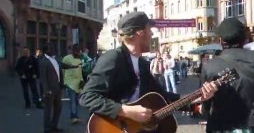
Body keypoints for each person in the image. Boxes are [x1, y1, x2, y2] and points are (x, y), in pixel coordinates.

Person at [79, 11, 218, 132]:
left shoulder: (142, 64)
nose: (152, 33)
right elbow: (88, 97)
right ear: (140, 32)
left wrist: (198, 98)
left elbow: (162, 98)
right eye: (149, 29)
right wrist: (126, 111)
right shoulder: (113, 58)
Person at [38, 44, 65, 133]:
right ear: (46, 50)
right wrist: (45, 90)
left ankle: (54, 125)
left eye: (53, 48)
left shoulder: (55, 59)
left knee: (58, 107)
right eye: (50, 49)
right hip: (49, 89)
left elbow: (61, 69)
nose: (52, 50)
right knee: (48, 109)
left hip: (57, 88)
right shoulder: (43, 61)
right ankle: (47, 128)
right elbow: (43, 78)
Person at [62, 44, 84, 124]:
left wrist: (82, 80)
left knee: (76, 101)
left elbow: (80, 71)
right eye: (76, 51)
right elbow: (63, 69)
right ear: (73, 50)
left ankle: (74, 115)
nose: (78, 52)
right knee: (72, 101)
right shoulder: (66, 58)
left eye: (79, 51)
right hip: (70, 82)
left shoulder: (79, 60)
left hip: (77, 83)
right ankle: (74, 117)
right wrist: (64, 81)